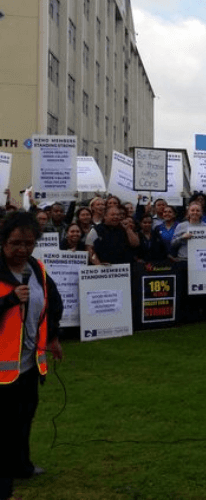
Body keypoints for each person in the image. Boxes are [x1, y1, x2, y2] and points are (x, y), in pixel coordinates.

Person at [0, 212, 63, 500]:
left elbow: (53, 302)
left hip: (27, 364)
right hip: (1, 370)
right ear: (3, 243)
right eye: (16, 243)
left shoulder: (36, 269)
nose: (22, 249)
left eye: (29, 243)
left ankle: (22, 466)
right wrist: (10, 300)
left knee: (24, 417)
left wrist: (52, 337)